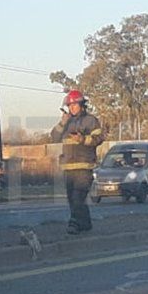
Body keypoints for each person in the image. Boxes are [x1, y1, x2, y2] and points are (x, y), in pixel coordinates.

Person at [51, 89, 103, 234]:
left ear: (82, 105)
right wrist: (62, 123)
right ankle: (85, 224)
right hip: (69, 167)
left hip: (84, 167)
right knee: (72, 199)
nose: (72, 108)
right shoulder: (66, 122)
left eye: (74, 105)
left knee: (77, 197)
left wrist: (83, 139)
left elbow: (98, 139)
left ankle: (73, 224)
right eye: (70, 105)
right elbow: (54, 137)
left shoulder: (91, 120)